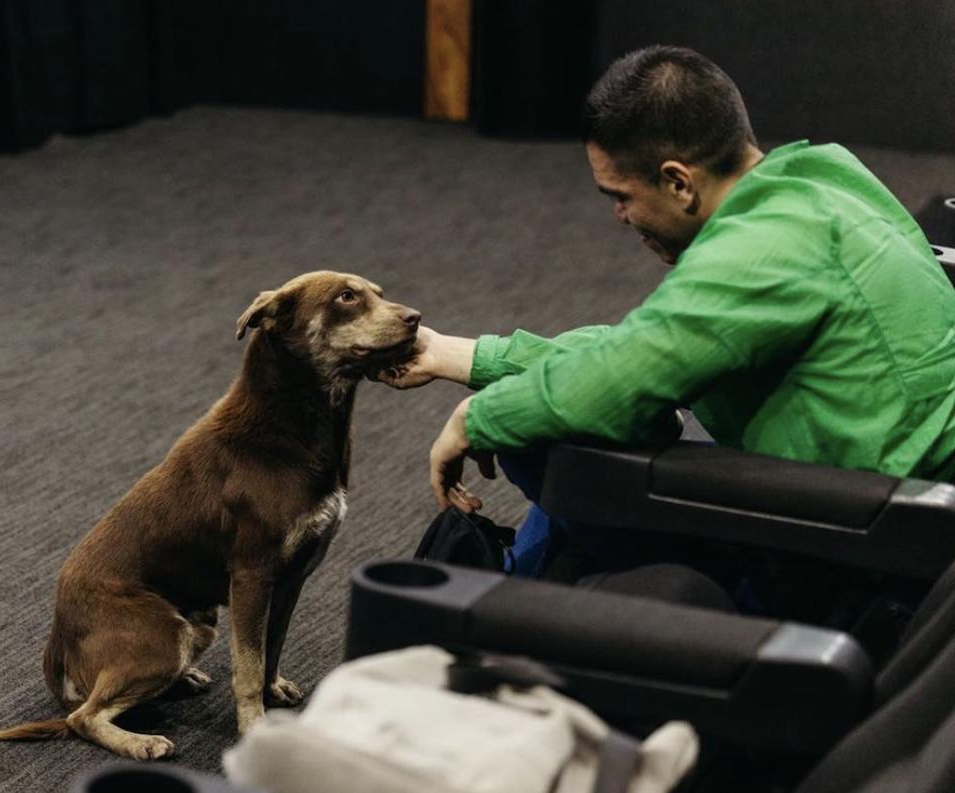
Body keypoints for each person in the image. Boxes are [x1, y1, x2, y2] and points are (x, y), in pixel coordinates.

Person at [380, 45, 955, 586]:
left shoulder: (757, 255)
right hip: (906, 506)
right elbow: (643, 347)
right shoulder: (819, 180)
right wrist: (459, 355)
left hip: (878, 545)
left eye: (620, 196)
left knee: (553, 443)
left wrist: (477, 418)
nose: (621, 217)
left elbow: (614, 385)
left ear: (679, 182)